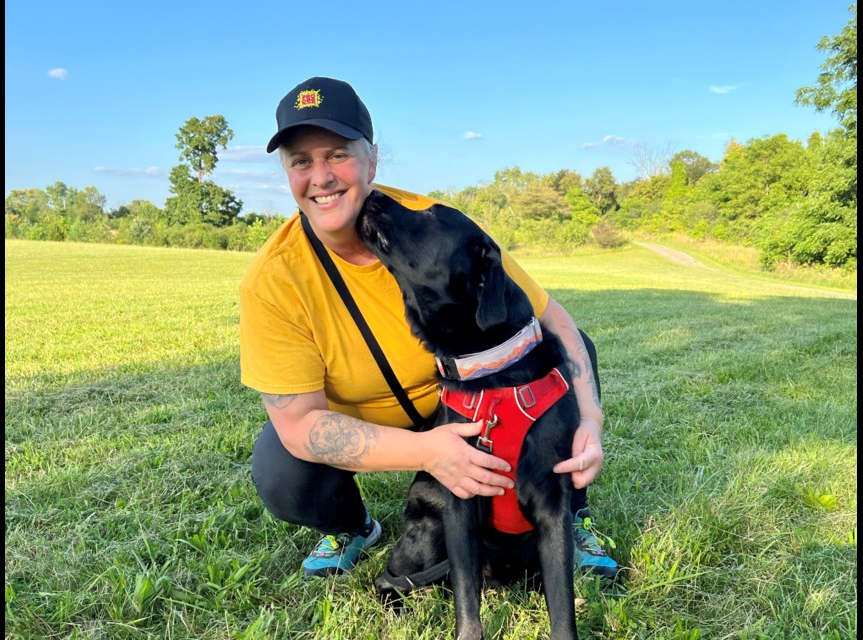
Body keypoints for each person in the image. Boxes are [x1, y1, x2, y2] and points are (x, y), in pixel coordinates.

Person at [240, 76, 618, 580]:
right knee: (280, 468)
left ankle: (569, 509)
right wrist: (426, 452)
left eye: (337, 154)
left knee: (564, 356)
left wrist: (589, 423)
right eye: (301, 161)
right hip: (369, 422)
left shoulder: (439, 227)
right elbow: (298, 425)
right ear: (286, 173)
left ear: (372, 159)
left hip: (467, 406)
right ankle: (351, 526)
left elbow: (558, 324)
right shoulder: (273, 280)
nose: (321, 176)